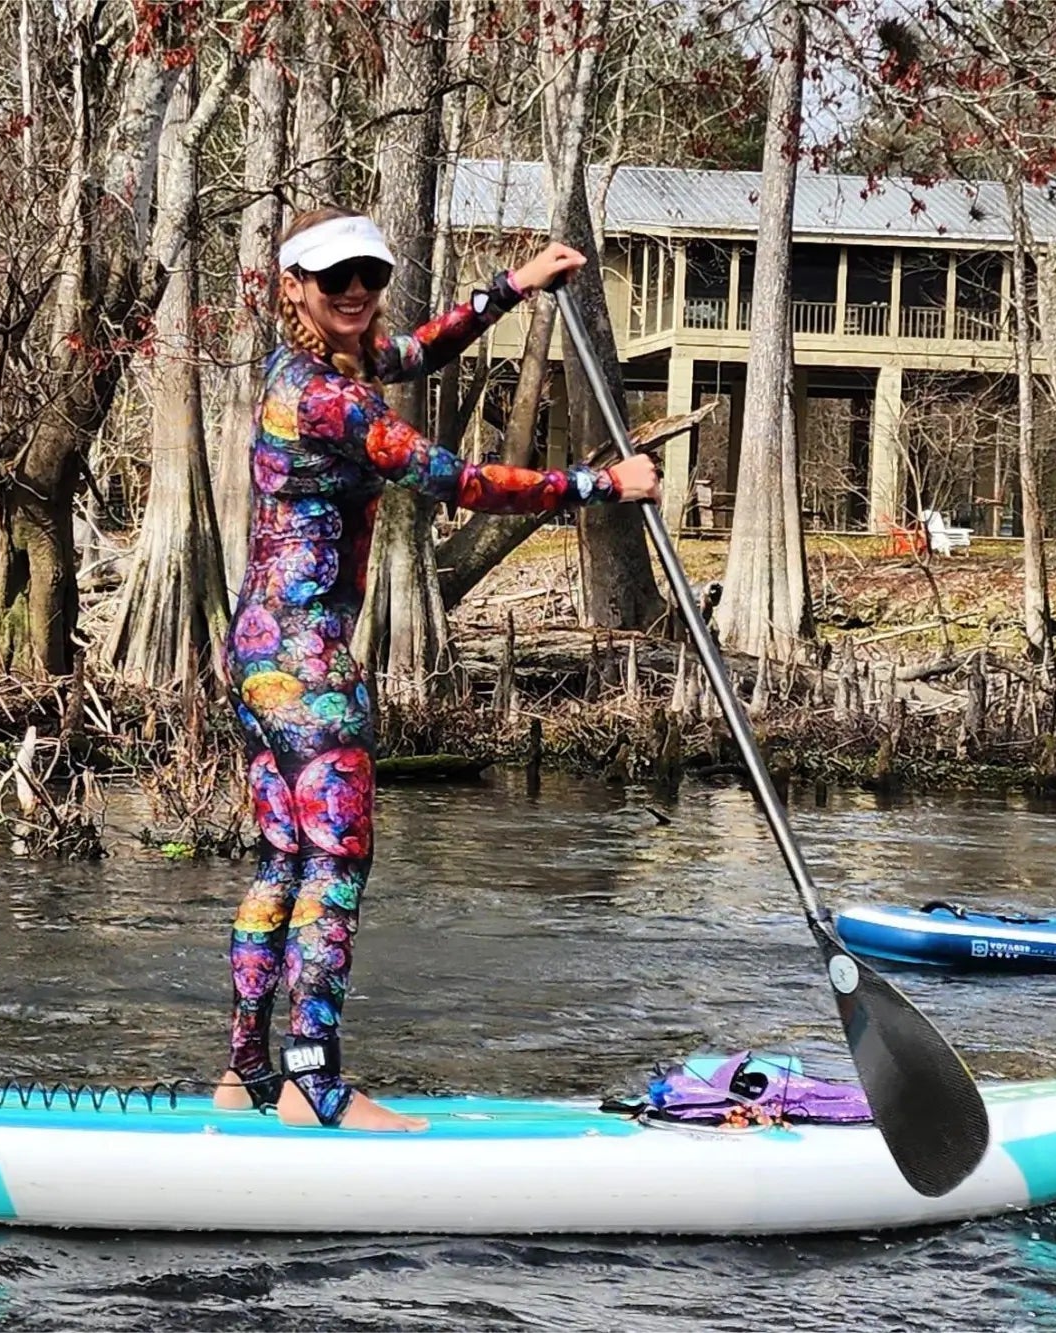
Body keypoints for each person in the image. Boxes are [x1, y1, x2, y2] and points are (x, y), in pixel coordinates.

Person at [210, 208, 661, 1131]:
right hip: (306, 660)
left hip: (258, 649)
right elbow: (450, 477)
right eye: (332, 277)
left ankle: (248, 1075)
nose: (354, 291)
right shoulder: (330, 399)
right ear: (291, 284)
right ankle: (315, 1086)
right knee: (337, 859)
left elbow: (419, 349)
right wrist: (596, 486)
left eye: (367, 276)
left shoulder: (321, 369)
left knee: (283, 857)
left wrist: (514, 286)